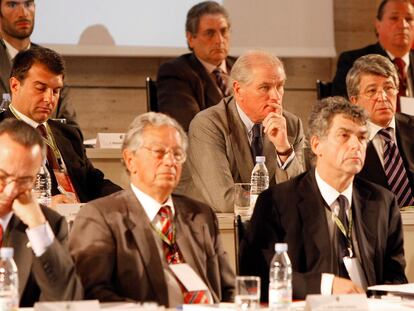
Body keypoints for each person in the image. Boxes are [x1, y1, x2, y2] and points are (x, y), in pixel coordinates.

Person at [240, 97, 407, 301]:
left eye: (362, 137)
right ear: (317, 145)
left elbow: (396, 277)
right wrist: (326, 285)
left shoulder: (383, 202)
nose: (356, 145)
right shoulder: (277, 202)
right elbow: (259, 276)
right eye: (344, 136)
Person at [69, 112, 235, 307]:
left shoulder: (201, 215)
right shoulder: (101, 216)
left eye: (177, 154)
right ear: (130, 160)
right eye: (159, 152)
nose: (170, 161)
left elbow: (229, 289)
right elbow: (93, 293)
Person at [179, 50, 306, 213]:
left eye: (280, 86)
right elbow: (225, 201)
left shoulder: (291, 125)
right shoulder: (208, 125)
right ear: (238, 90)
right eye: (264, 87)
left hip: (268, 225)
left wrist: (284, 149)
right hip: (213, 226)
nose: (275, 96)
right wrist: (280, 202)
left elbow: (301, 195)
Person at [0, 46, 122, 205]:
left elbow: (94, 183)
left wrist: (128, 199)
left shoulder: (68, 134)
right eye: (40, 88)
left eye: (56, 91)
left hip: (80, 221)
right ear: (15, 85)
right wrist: (43, 204)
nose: (49, 99)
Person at [0, 118, 83, 307]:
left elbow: (67, 299)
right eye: (2, 177)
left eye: (24, 180)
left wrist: (37, 224)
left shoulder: (50, 224)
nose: (10, 191)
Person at [347, 54, 414, 208]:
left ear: (397, 91)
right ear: (354, 101)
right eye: (372, 91)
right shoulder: (346, 142)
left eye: (389, 88)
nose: (382, 97)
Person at [157, 1, 236, 131]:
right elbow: (191, 127)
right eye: (210, 33)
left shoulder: (243, 67)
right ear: (190, 38)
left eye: (223, 31)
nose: (219, 40)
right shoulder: (176, 73)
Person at [0, 0, 78, 125]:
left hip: (45, 142)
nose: (23, 13)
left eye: (28, 4)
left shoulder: (51, 61)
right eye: (12, 4)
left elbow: (71, 127)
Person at [332, 0, 414, 111]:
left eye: (409, 19)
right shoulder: (354, 62)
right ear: (378, 25)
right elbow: (341, 108)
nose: (403, 25)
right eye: (394, 18)